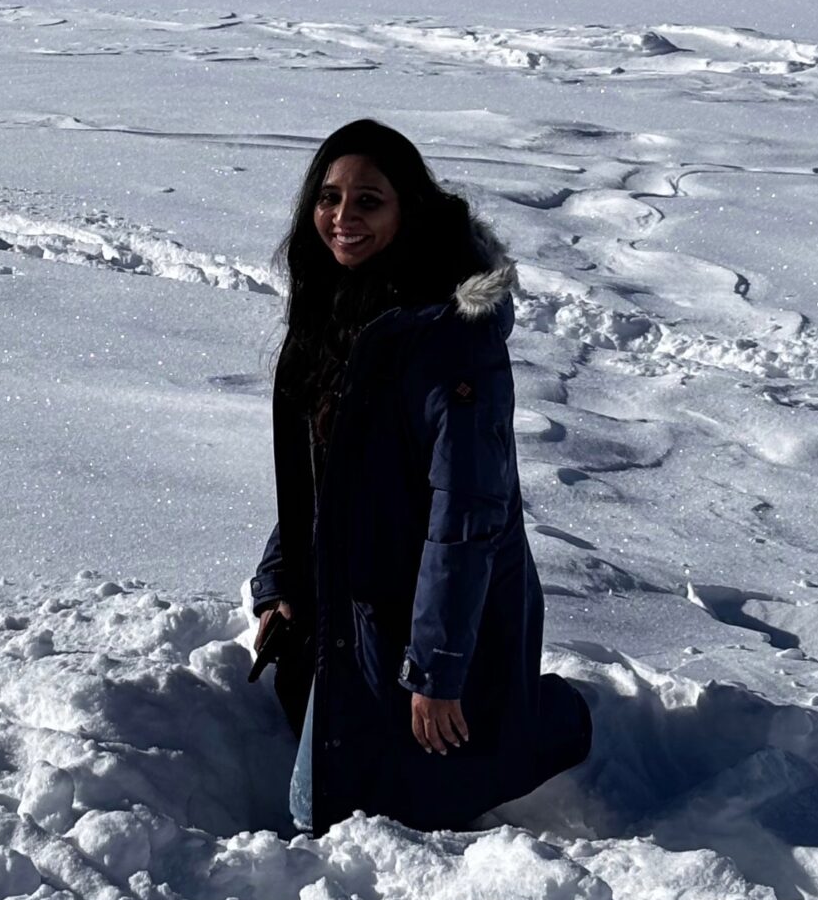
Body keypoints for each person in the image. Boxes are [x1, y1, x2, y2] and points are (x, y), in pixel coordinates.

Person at [249, 119, 591, 836]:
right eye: (329, 198)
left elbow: (465, 516)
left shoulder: (448, 340)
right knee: (342, 789)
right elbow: (321, 476)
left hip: (431, 615)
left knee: (353, 807)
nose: (342, 218)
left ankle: (559, 721)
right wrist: (282, 582)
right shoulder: (333, 310)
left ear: (409, 210)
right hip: (354, 608)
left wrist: (437, 671)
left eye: (368, 201)